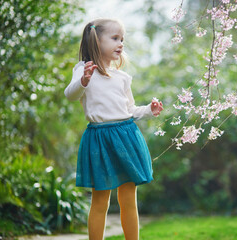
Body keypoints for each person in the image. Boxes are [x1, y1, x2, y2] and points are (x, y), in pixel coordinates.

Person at [64, 18, 163, 240]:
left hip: (126, 136)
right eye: (115, 38)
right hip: (99, 138)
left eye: (122, 40)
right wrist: (84, 80)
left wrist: (149, 109)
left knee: (129, 197)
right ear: (96, 40)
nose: (120, 44)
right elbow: (70, 95)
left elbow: (129, 109)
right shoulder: (83, 69)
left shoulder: (122, 78)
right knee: (100, 200)